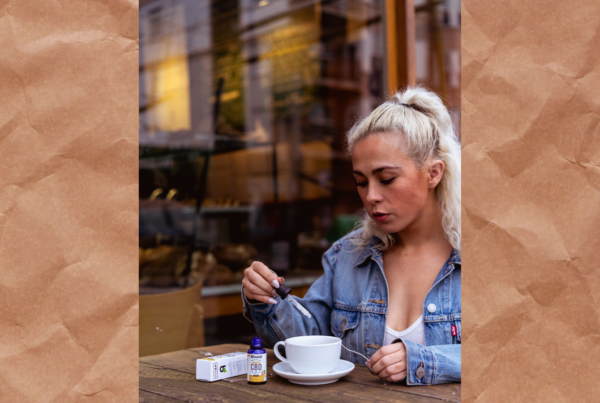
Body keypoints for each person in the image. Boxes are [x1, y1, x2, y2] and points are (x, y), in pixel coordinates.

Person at [241, 86, 461, 386]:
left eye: (386, 179)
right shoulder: (347, 256)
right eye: (360, 181)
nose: (371, 196)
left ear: (433, 173)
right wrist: (264, 300)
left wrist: (426, 361)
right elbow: (309, 340)